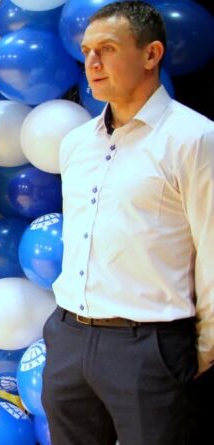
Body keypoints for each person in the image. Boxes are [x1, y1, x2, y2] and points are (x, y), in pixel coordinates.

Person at [43, 2, 213, 444]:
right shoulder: (76, 143)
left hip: (149, 345)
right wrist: (60, 334)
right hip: (69, 337)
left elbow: (212, 249)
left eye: (107, 49)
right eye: (86, 51)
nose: (92, 62)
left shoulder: (194, 137)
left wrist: (203, 347)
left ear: (151, 54)